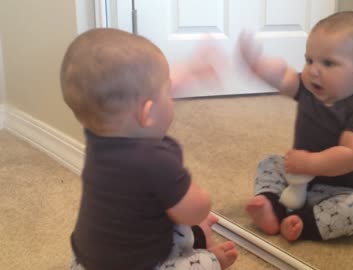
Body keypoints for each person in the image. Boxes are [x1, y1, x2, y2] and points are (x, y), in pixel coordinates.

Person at [60, 28, 238, 270]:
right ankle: (212, 259)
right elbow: (195, 210)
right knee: (196, 253)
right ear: (147, 112)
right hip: (137, 265)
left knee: (163, 218)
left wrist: (192, 68)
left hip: (84, 260)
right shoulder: (156, 161)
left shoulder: (98, 134)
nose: (172, 94)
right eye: (168, 92)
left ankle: (195, 238)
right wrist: (199, 201)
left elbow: (146, 91)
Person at [242, 11, 353, 241]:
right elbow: (283, 80)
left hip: (344, 189)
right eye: (309, 60)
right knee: (269, 162)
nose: (314, 70)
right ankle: (271, 206)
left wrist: (311, 163)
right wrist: (258, 65)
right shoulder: (308, 88)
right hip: (299, 178)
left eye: (328, 63)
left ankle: (303, 223)